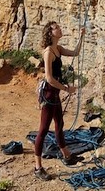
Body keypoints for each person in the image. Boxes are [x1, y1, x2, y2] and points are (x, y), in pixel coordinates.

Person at [33, 20, 82, 180]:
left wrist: (81, 37)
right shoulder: (48, 52)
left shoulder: (58, 49)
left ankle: (67, 155)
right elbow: (48, 78)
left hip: (54, 94)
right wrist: (66, 89)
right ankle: (38, 167)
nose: (59, 29)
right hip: (48, 95)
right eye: (56, 28)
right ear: (50, 33)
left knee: (59, 124)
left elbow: (75, 53)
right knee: (43, 130)